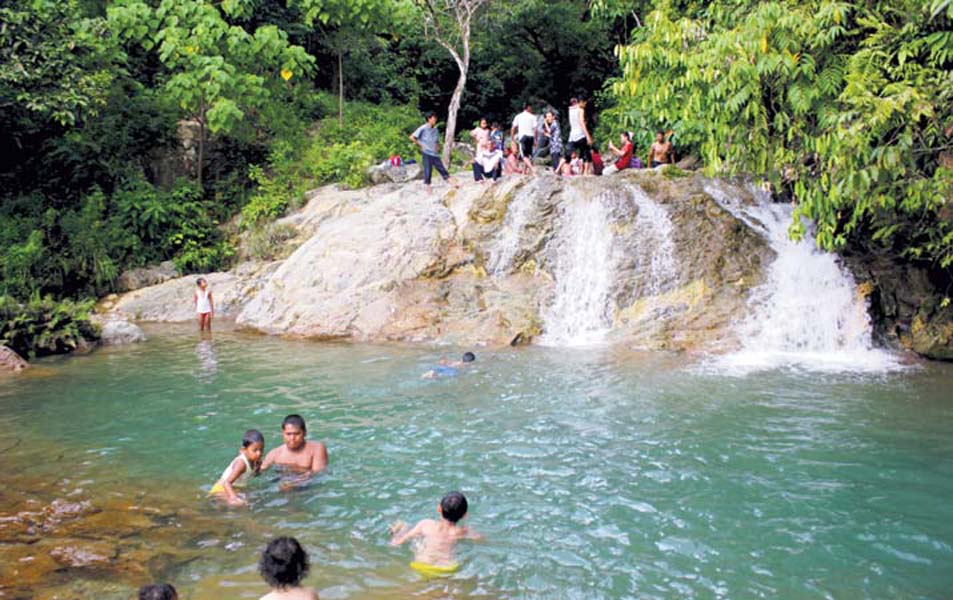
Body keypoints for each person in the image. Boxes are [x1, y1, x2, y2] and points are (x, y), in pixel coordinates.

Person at [390, 491, 482, 578]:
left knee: (414, 540)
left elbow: (396, 543)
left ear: (439, 508)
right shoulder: (462, 532)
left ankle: (402, 527)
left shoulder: (425, 524)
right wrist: (467, 526)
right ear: (464, 515)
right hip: (446, 569)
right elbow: (479, 538)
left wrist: (399, 532)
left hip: (421, 565)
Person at [261, 415, 328, 489]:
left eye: (296, 434)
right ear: (283, 434)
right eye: (288, 434)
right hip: (281, 484)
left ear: (304, 433)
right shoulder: (275, 454)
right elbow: (260, 471)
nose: (292, 438)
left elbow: (319, 474)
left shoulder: (316, 448)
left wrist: (293, 483)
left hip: (306, 487)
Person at [209, 429, 264, 506]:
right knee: (244, 503)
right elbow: (227, 483)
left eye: (261, 450)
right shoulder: (241, 463)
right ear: (243, 450)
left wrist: (257, 469)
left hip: (235, 488)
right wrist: (233, 498)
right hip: (220, 490)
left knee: (255, 497)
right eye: (255, 450)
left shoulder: (255, 460)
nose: (259, 453)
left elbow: (254, 474)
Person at [410, 111, 460, 194]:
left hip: (434, 153)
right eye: (433, 118)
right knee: (428, 169)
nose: (435, 120)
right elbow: (412, 137)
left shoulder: (436, 129)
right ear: (429, 119)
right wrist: (421, 145)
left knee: (441, 168)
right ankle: (428, 187)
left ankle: (451, 182)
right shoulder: (423, 128)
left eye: (435, 118)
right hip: (426, 152)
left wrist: (437, 147)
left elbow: (436, 141)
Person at [564, 96, 593, 175]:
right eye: (584, 102)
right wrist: (588, 136)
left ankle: (567, 172)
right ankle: (585, 172)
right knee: (585, 153)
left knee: (568, 154)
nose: (585, 104)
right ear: (580, 102)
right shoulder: (581, 110)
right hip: (581, 134)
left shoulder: (570, 110)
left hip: (572, 135)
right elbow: (582, 123)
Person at [510, 103, 537, 175]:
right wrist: (535, 139)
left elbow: (513, 128)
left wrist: (512, 139)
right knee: (528, 155)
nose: (531, 109)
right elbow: (535, 129)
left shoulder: (518, 116)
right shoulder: (533, 117)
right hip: (531, 137)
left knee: (524, 156)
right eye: (531, 107)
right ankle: (524, 172)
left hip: (523, 137)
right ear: (528, 107)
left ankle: (532, 168)